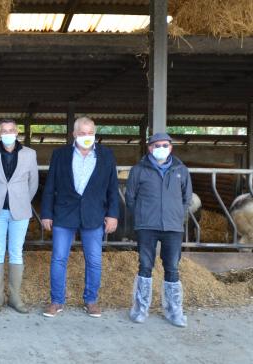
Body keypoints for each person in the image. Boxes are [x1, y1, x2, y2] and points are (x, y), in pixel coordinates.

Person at [40, 117, 119, 318]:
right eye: (82, 133)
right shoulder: (60, 155)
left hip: (94, 215)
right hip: (64, 214)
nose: (87, 137)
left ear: (95, 133)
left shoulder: (106, 155)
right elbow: (50, 187)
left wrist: (112, 214)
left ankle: (91, 300)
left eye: (90, 133)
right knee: (58, 258)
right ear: (74, 134)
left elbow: (112, 188)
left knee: (94, 260)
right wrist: (46, 213)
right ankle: (57, 301)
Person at [125, 132, 192, 327]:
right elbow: (130, 197)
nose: (160, 148)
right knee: (145, 265)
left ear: (170, 147)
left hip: (172, 227)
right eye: (156, 145)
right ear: (150, 148)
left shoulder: (181, 170)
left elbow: (186, 198)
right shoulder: (138, 170)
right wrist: (141, 215)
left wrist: (177, 215)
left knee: (172, 267)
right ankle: (140, 309)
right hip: (147, 226)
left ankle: (174, 311)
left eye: (164, 145)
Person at [0, 119, 39, 313]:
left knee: (16, 252)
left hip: (19, 211)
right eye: (4, 130)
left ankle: (15, 297)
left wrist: (21, 200)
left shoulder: (30, 154)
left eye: (11, 130)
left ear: (17, 132)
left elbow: (33, 184)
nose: (7, 133)